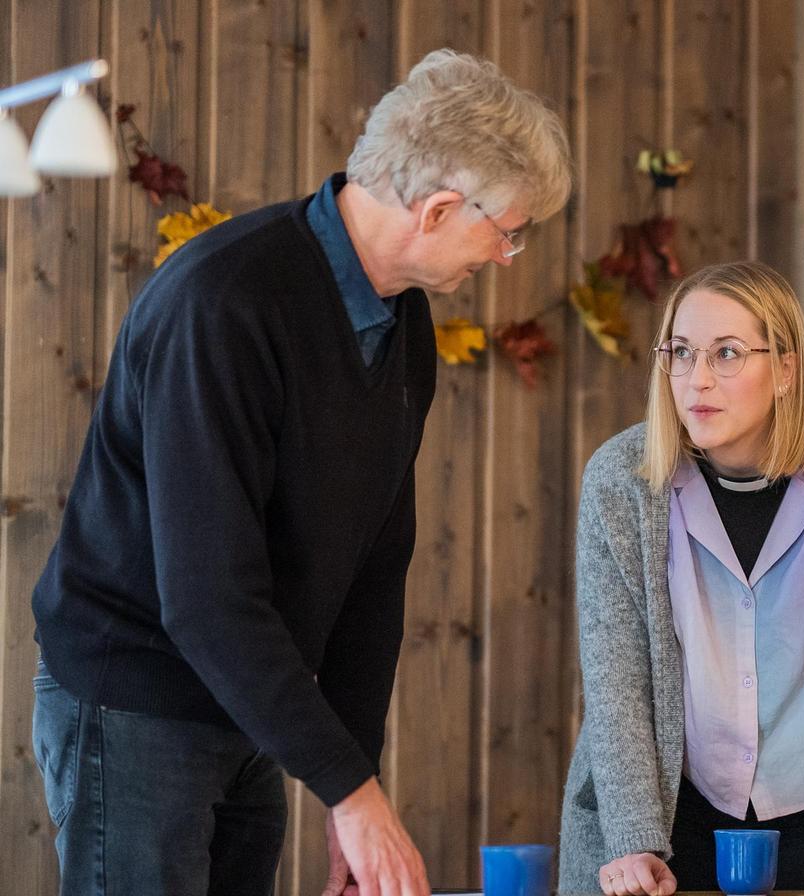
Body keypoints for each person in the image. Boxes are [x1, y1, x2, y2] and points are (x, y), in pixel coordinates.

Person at [30, 49, 571, 896]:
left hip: (253, 704)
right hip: (135, 697)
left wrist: (348, 788)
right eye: (507, 232)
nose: (509, 257)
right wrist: (353, 799)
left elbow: (373, 572)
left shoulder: (403, 327)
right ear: (435, 209)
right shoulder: (224, 301)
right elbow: (206, 595)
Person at [557, 261, 804, 896]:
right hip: (662, 820)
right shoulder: (620, 478)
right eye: (680, 352)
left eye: (727, 353)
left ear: (785, 368)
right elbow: (615, 676)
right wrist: (631, 839)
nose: (697, 379)